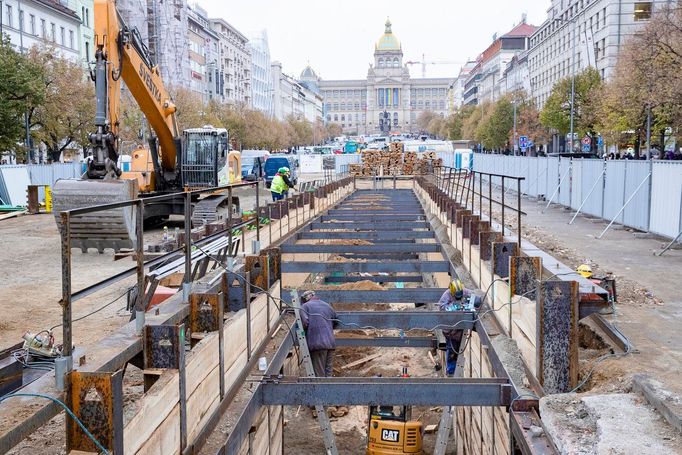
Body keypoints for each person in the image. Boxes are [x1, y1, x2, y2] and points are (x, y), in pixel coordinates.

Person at [438, 279, 481, 376]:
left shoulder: (465, 291)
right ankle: (451, 372)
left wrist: (475, 301)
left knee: (459, 350)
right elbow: (441, 308)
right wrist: (453, 307)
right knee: (452, 351)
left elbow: (475, 298)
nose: (459, 297)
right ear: (452, 292)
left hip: (460, 328)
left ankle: (455, 370)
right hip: (450, 330)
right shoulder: (446, 295)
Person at [300, 290, 337, 378]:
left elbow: (305, 323)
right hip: (331, 344)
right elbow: (336, 319)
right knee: (328, 373)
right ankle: (329, 391)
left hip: (317, 344)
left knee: (319, 375)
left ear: (306, 299)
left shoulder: (305, 306)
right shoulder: (327, 305)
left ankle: (321, 391)